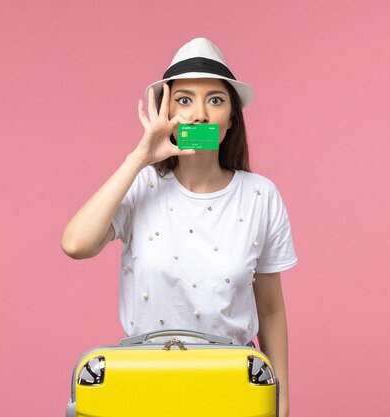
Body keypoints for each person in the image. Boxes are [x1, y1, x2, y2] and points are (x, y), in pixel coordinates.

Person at [61, 37, 298, 416]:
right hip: (144, 386)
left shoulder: (261, 195)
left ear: (232, 117)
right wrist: (140, 156)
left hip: (232, 388)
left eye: (215, 100)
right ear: (165, 112)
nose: (200, 114)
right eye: (184, 100)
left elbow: (270, 310)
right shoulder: (141, 186)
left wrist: (280, 405)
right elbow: (75, 244)